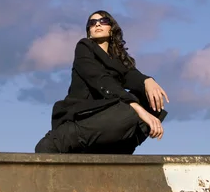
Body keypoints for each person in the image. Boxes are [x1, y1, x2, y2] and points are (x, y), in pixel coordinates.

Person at [35, 10, 169, 154]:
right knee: (128, 112)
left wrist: (147, 81)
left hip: (105, 119)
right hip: (82, 118)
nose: (97, 24)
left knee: (153, 103)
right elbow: (100, 79)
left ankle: (118, 149)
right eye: (92, 23)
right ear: (89, 32)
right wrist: (136, 107)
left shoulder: (117, 60)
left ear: (111, 29)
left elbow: (132, 75)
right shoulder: (84, 47)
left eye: (103, 21)